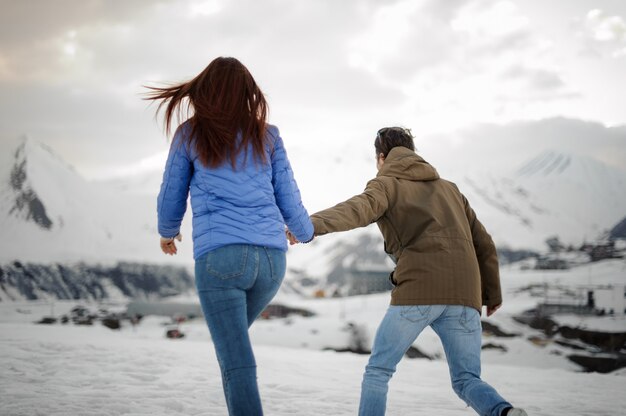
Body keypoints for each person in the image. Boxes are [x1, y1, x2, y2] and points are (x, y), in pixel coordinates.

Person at [288, 127, 526, 416]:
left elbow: (356, 210)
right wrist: (491, 294)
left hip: (419, 289)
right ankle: (505, 412)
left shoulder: (387, 183)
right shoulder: (451, 190)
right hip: (465, 297)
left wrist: (309, 226)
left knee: (378, 371)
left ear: (381, 157)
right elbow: (484, 244)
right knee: (466, 379)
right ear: (413, 151)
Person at [146, 57, 314, 416]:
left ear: (205, 90)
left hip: (221, 260)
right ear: (247, 92)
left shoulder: (191, 133)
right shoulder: (267, 134)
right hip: (271, 263)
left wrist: (167, 232)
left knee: (236, 359)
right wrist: (302, 231)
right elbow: (288, 193)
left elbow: (172, 191)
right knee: (231, 349)